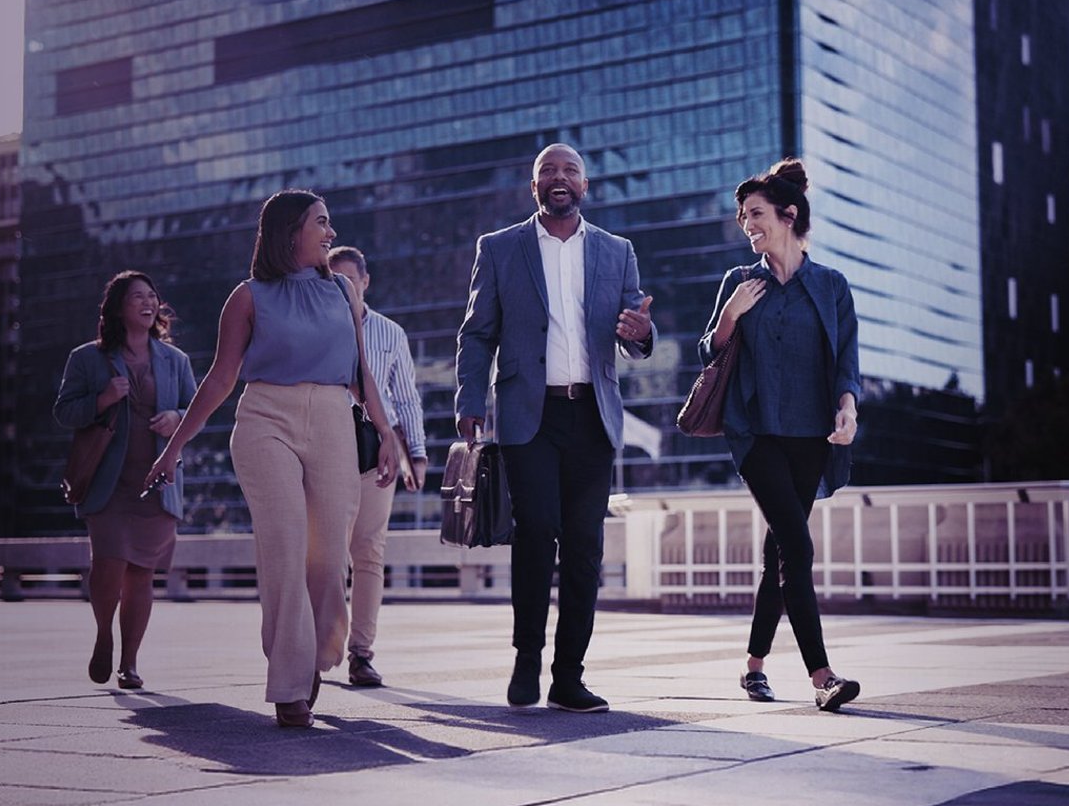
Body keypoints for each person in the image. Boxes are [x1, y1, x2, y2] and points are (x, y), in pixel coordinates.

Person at [145, 191, 399, 728]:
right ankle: (288, 683)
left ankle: (312, 654)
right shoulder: (248, 297)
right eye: (322, 223)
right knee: (285, 550)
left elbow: (360, 372)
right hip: (265, 422)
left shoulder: (343, 291)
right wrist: (173, 449)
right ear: (291, 232)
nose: (331, 233)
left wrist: (385, 430)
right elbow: (220, 379)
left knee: (330, 558)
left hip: (333, 420)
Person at [456, 142, 656, 712]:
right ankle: (527, 658)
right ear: (534, 187)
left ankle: (569, 675)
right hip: (528, 415)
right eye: (548, 171)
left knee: (586, 548)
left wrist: (640, 332)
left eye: (570, 170)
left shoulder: (617, 251)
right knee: (536, 535)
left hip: (593, 414)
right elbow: (476, 332)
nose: (559, 177)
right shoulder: (499, 248)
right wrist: (470, 398)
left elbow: (634, 336)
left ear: (586, 187)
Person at [700, 156, 862, 712]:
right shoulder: (741, 282)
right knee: (797, 544)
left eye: (756, 214)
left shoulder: (831, 286)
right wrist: (729, 316)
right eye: (743, 215)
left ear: (788, 216)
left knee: (780, 555)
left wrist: (848, 410)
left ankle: (753, 668)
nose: (747, 223)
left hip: (811, 437)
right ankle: (823, 678)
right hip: (757, 436)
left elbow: (846, 363)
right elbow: (709, 351)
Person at [53, 270, 197, 690]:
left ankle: (129, 662)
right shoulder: (87, 358)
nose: (148, 303)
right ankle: (103, 634)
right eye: (137, 297)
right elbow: (64, 412)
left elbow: (197, 411)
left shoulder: (176, 360)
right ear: (118, 307)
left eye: (152, 297)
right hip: (108, 482)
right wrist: (102, 399)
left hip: (157, 482)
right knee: (109, 564)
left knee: (141, 574)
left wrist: (177, 418)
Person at [326, 245, 428, 688]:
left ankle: (361, 655)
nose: (343, 288)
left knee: (369, 554)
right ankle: (318, 643)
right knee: (325, 556)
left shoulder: (391, 333)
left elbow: (405, 397)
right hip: (324, 450)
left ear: (365, 281)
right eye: (334, 281)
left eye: (350, 280)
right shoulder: (316, 329)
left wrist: (416, 455)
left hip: (376, 451)